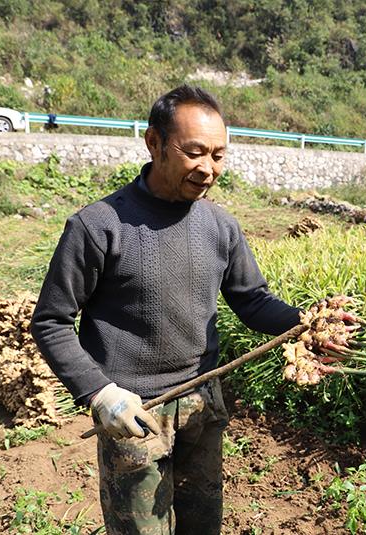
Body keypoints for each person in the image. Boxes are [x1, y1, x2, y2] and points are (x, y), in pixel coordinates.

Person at [31, 85, 301, 534]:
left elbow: (252, 301)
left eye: (218, 155)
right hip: (134, 410)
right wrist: (100, 394)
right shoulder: (98, 226)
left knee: (202, 523)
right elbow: (52, 320)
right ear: (154, 143)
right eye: (194, 152)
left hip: (203, 401)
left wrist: (306, 323)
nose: (208, 169)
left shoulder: (220, 226)